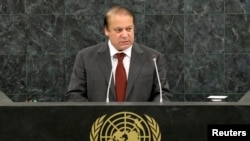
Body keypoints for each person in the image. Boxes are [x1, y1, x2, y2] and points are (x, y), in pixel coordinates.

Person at [64, 5, 172, 102]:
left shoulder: (153, 58)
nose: (125, 35)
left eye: (129, 29)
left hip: (139, 123)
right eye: (119, 30)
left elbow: (162, 95)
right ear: (106, 30)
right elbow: (75, 95)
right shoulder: (85, 57)